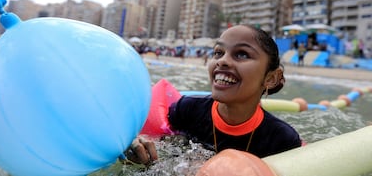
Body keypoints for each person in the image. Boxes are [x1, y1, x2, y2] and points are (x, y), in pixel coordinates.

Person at [126, 25, 302, 165]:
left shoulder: (281, 140)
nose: (222, 60)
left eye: (242, 54)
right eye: (218, 52)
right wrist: (137, 150)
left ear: (271, 78)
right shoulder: (187, 110)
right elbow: (159, 153)